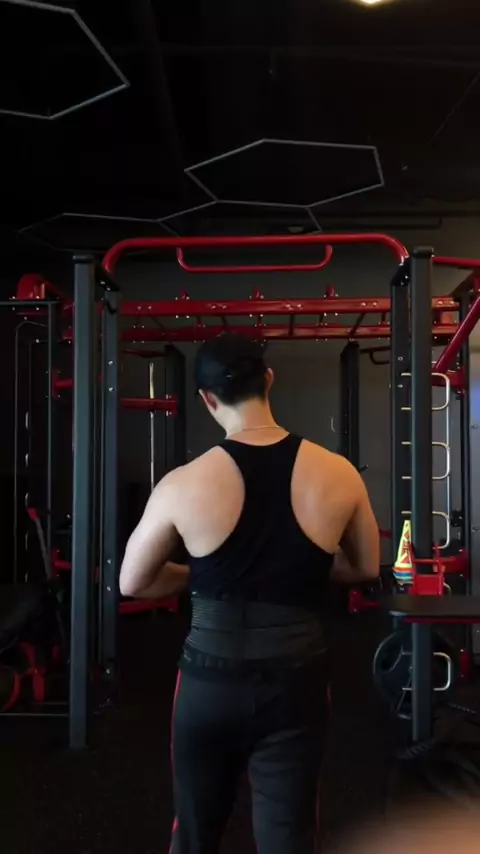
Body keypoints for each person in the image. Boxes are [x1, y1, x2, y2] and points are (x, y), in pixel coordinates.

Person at [119, 333, 380, 854]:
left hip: (209, 679)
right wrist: (297, 569)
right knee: (289, 836)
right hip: (296, 679)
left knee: (195, 832)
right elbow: (365, 567)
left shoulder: (182, 483)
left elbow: (133, 582)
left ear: (207, 399)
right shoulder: (339, 473)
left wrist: (204, 576)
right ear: (269, 380)